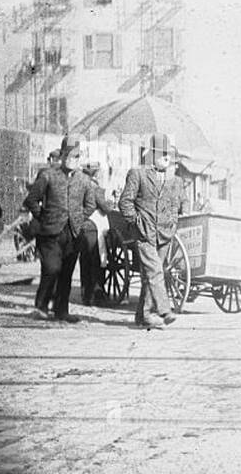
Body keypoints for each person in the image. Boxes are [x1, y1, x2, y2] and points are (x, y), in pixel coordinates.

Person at [24, 134, 97, 324]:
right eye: (69, 155)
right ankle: (40, 307)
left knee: (66, 272)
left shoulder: (84, 180)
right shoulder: (48, 175)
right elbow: (31, 200)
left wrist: (78, 219)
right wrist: (44, 216)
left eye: (76, 156)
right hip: (50, 233)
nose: (72, 160)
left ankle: (61, 311)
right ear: (62, 155)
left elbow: (90, 205)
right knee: (51, 268)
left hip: (73, 234)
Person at [118, 133, 188, 329]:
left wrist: (173, 221)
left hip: (165, 235)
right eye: (163, 154)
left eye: (169, 154)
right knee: (156, 271)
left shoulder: (175, 180)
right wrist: (137, 222)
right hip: (144, 233)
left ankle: (143, 315)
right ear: (152, 154)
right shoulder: (137, 174)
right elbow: (125, 202)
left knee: (150, 275)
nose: (167, 158)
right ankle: (163, 311)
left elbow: (180, 204)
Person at [77, 158, 113, 304]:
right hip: (94, 225)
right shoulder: (94, 187)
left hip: (82, 225)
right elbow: (106, 208)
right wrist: (111, 201)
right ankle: (97, 292)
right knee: (96, 258)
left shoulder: (78, 185)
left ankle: (86, 293)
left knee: (84, 259)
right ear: (95, 173)